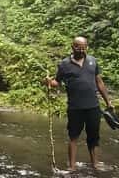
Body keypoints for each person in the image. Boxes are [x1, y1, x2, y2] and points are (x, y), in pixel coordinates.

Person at [44, 36, 113, 170]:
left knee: (94, 137)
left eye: (84, 48)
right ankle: (72, 166)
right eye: (78, 48)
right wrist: (48, 82)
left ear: (87, 47)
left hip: (93, 106)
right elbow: (57, 82)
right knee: (73, 136)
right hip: (75, 107)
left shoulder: (93, 61)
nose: (81, 51)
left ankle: (95, 164)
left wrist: (108, 102)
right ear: (72, 47)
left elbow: (99, 82)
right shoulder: (64, 64)